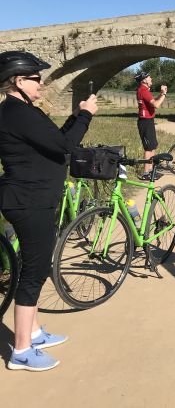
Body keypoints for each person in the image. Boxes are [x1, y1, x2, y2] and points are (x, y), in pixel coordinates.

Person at [0, 50, 97, 371]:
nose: (41, 83)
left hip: (35, 198)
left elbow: (55, 141)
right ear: (18, 80)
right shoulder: (17, 113)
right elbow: (65, 147)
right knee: (35, 271)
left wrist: (78, 114)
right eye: (35, 78)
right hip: (29, 200)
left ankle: (35, 332)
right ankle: (22, 351)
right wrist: (85, 116)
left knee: (37, 266)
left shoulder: (22, 110)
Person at [135, 71, 168, 180]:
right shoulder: (143, 90)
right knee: (148, 148)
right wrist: (163, 94)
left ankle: (150, 170)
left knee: (152, 146)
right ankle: (146, 173)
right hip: (145, 122)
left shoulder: (143, 90)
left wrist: (160, 94)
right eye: (149, 77)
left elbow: (152, 101)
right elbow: (156, 105)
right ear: (144, 80)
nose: (151, 79)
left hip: (148, 121)